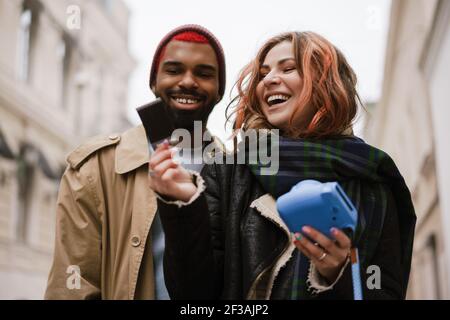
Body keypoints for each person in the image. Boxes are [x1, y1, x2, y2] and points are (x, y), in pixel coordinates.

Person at [149, 31, 416, 300]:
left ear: (328, 83)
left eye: (288, 68)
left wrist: (339, 274)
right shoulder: (227, 171)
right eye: (263, 73)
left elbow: (384, 291)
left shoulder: (373, 179)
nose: (269, 79)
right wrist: (183, 207)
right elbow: (193, 295)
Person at [44, 24, 226, 299]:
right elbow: (73, 285)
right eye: (174, 70)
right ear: (154, 83)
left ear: (219, 90)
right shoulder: (95, 168)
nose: (188, 81)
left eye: (203, 73)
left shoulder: (237, 170)